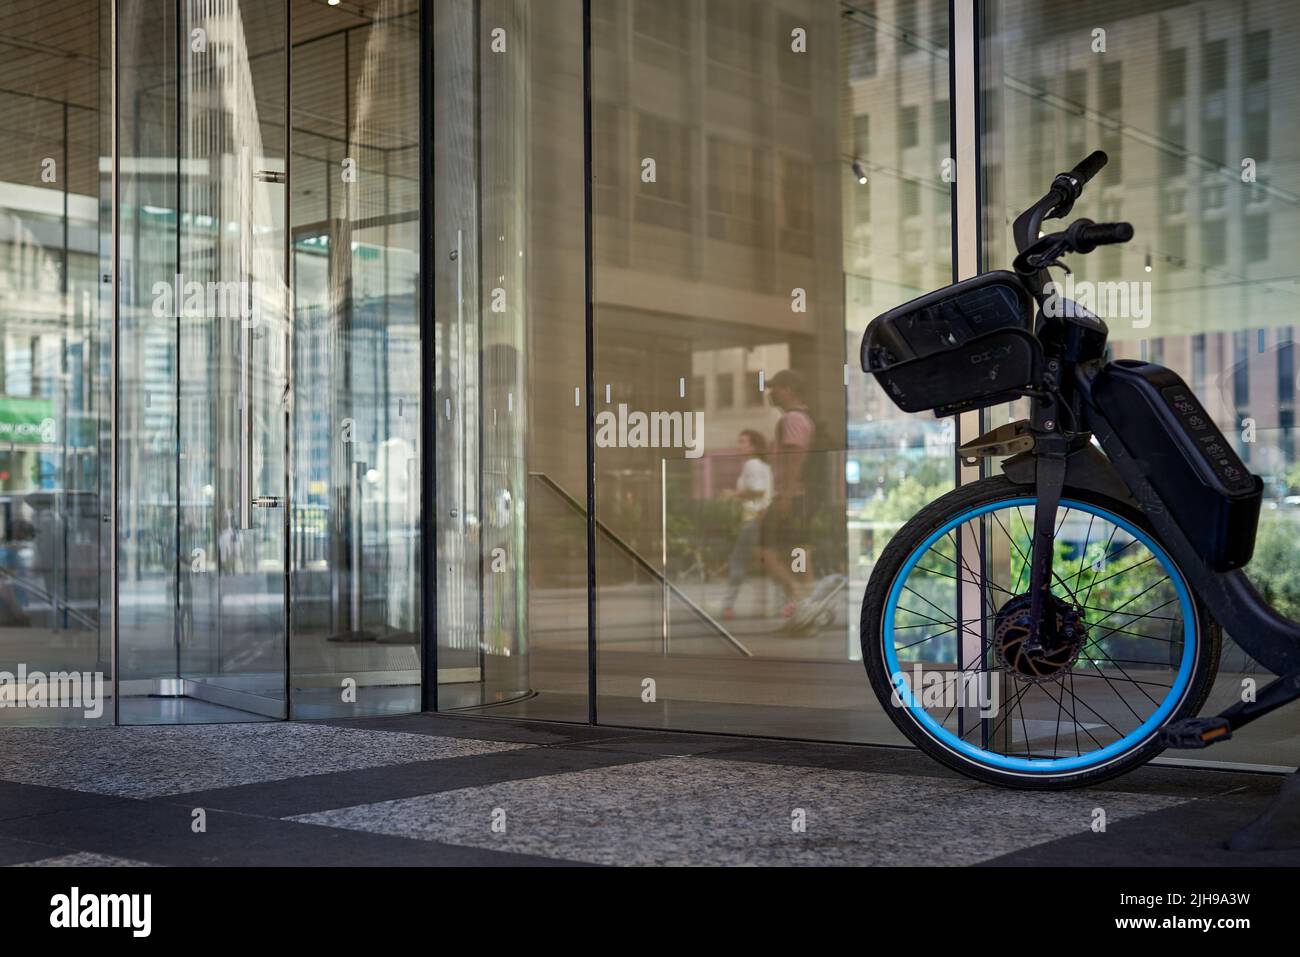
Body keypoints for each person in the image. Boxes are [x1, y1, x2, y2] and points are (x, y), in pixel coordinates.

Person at [759, 369, 818, 618]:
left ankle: (800, 596)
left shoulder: (791, 420)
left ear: (790, 390)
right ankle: (807, 600)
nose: (771, 393)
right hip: (798, 495)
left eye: (776, 387)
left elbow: (794, 458)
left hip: (791, 495)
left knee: (766, 551)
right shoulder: (802, 418)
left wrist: (785, 497)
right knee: (799, 550)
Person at [721, 430, 772, 620]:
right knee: (763, 564)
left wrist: (733, 494)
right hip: (759, 519)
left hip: (752, 520)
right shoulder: (763, 466)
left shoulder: (752, 464)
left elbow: (758, 491)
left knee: (737, 562)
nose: (739, 445)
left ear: (754, 446)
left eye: (743, 442)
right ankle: (777, 604)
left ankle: (728, 605)